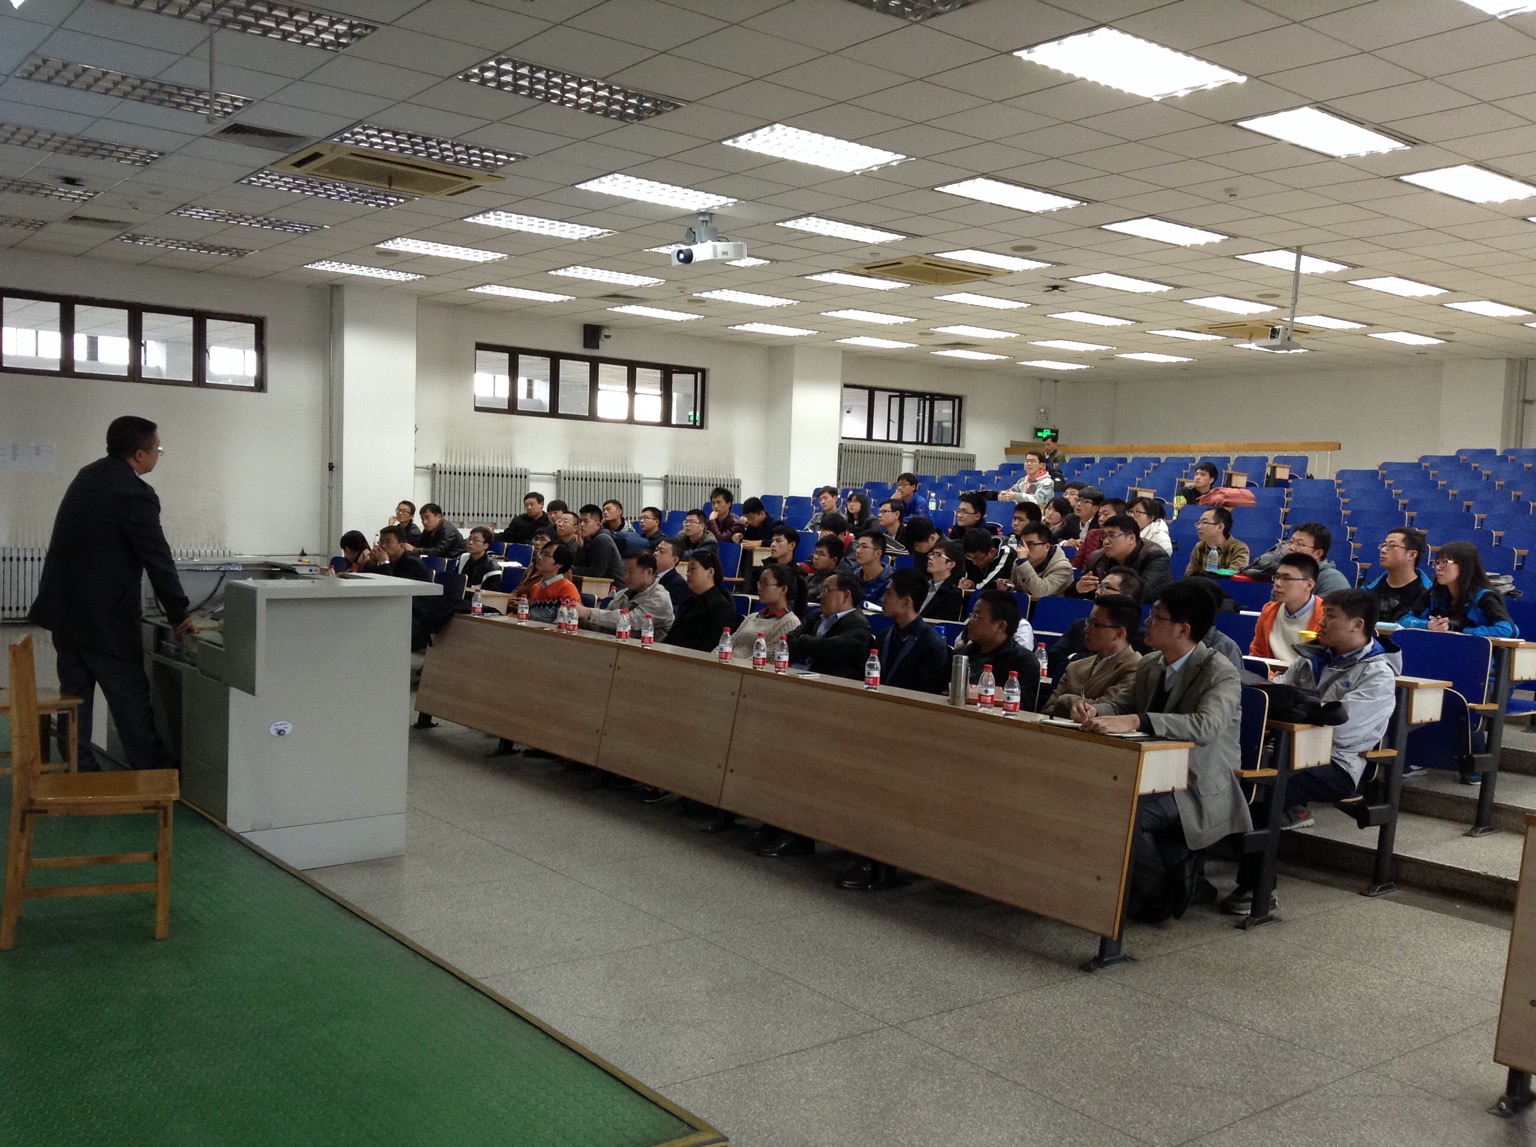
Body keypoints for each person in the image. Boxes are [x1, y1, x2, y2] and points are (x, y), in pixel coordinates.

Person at [1075, 580, 1250, 923]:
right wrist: (1095, 711)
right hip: (1152, 770)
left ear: (1183, 629)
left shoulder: (1220, 672)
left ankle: (1161, 894)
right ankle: (1152, 883)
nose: (1147, 622)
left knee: (1127, 813)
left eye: (1157, 616)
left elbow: (1206, 726)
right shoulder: (1151, 663)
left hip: (1197, 781)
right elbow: (1122, 706)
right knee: (1094, 798)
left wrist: (1139, 720)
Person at [28, 416, 193, 772]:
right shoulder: (134, 493)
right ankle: (154, 773)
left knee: (75, 698)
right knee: (130, 696)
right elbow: (157, 558)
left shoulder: (87, 476)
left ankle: (78, 770)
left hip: (65, 612)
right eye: (158, 449)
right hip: (105, 619)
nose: (158, 454)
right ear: (139, 454)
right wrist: (179, 613)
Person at [1222, 590, 1401, 912]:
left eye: (1330, 615)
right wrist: (1301, 707)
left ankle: (1259, 889)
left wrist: (1299, 710)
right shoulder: (1313, 657)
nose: (1321, 621)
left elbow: (1344, 729)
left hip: (1338, 765)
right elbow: (1278, 693)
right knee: (1228, 777)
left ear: (1357, 624)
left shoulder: (1377, 674)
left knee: (1266, 791)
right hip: (1286, 751)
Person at [835, 568, 953, 893]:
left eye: (889, 594)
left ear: (907, 601)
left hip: (911, 733)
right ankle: (866, 854)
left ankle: (882, 862)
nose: (883, 599)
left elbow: (926, 695)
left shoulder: (931, 643)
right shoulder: (886, 635)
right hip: (878, 724)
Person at [1043, 594, 1142, 717]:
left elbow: (1109, 709)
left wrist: (1065, 699)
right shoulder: (1074, 667)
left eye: (1095, 624)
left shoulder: (1136, 667)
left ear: (1119, 633)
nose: (1086, 629)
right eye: (1088, 622)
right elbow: (1048, 710)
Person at [1398, 541, 1518, 638]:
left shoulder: (1484, 597)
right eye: (1437, 562)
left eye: (1444, 562)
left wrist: (1461, 632)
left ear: (1465, 566)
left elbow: (1508, 630)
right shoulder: (1434, 594)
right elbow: (1404, 620)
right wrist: (1428, 625)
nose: (1438, 568)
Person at [785, 572, 872, 678]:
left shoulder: (858, 626)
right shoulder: (816, 616)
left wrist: (803, 639)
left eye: (826, 590)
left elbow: (829, 650)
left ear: (846, 596)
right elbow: (789, 640)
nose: (819, 596)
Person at [578, 550, 674, 639]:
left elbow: (630, 620)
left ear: (649, 572)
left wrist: (588, 612)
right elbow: (603, 623)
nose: (626, 577)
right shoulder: (623, 593)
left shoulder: (660, 598)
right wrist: (579, 616)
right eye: (624, 571)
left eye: (631, 572)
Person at [1073, 514, 1171, 599]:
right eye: (1104, 536)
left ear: (1131, 538)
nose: (1106, 541)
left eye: (1112, 535)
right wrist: (1078, 588)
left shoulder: (1155, 557)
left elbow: (1142, 593)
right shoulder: (1097, 557)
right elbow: (1072, 592)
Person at [1250, 553, 1324, 665]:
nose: (1277, 583)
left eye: (1287, 578)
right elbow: (1257, 655)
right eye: (1277, 577)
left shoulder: (1326, 616)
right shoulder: (1269, 611)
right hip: (1270, 674)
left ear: (1309, 585)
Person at [1241, 522, 1351, 594]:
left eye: (1299, 544)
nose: (1291, 548)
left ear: (1318, 553)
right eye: (1291, 542)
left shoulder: (1332, 580)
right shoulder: (1282, 575)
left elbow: (1325, 618)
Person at [954, 588, 1031, 689]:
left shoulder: (1023, 662)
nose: (970, 622)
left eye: (977, 616)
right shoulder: (960, 654)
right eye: (972, 615)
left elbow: (1021, 699)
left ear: (1001, 626)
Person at [665, 549, 736, 651]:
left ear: (710, 572)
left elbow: (710, 647)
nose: (688, 574)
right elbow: (671, 638)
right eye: (687, 570)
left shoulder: (722, 608)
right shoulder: (688, 602)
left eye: (693, 569)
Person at [732, 563, 805, 659]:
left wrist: (732, 664)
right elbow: (727, 643)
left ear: (783, 589)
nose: (759, 587)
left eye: (765, 584)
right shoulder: (752, 617)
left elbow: (767, 657)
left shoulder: (790, 622)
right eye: (760, 582)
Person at [1363, 527, 1434, 624]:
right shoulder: (1368, 589)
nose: (1383, 550)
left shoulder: (1430, 593)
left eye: (1391, 546)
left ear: (1412, 555)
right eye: (1384, 545)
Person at [509, 540, 580, 623]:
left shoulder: (567, 589)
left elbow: (565, 623)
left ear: (559, 564)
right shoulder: (535, 587)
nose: (539, 557)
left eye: (546, 555)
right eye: (541, 553)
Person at [1009, 521, 1074, 599]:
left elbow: (1040, 592)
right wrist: (1008, 587)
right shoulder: (1019, 562)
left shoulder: (1063, 568)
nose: (1025, 549)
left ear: (1047, 547)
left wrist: (1023, 562)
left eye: (1030, 545)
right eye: (1022, 544)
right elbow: (1016, 589)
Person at [1186, 506, 1250, 576]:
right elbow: (1188, 576)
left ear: (1220, 527)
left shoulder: (1239, 549)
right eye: (1199, 523)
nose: (1199, 527)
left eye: (1205, 522)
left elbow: (1234, 576)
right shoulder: (1199, 547)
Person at [574, 504, 625, 585]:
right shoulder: (587, 539)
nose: (581, 525)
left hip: (615, 589)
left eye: (586, 521)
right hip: (598, 587)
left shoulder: (602, 539)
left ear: (598, 525)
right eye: (580, 521)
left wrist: (569, 570)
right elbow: (581, 565)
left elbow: (596, 572)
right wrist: (581, 546)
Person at [919, 539, 966, 621]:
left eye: (938, 555)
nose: (931, 557)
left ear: (950, 564)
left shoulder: (953, 594)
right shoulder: (921, 586)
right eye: (932, 554)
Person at [960, 528, 1018, 594]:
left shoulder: (1007, 553)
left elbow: (986, 586)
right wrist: (968, 584)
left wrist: (973, 587)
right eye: (971, 558)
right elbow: (969, 580)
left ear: (992, 552)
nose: (974, 563)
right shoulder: (971, 553)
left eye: (980, 559)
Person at [851, 531, 892, 605]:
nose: (858, 551)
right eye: (857, 546)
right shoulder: (854, 576)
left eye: (864, 547)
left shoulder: (891, 581)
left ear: (878, 553)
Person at [654, 537, 690, 611]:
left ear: (674, 560)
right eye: (656, 550)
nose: (655, 553)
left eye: (661, 551)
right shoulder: (648, 576)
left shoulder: (678, 584)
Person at [805, 535, 842, 603]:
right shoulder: (810, 577)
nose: (816, 557)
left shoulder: (837, 582)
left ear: (834, 560)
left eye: (822, 554)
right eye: (816, 553)